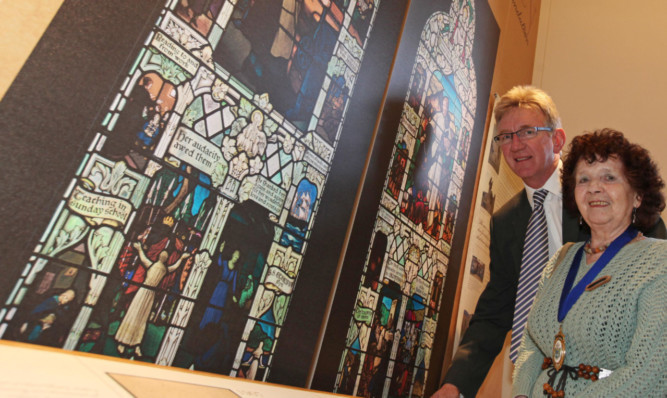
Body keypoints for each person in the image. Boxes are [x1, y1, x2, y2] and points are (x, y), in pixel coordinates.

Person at [433, 86, 665, 398]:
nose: (516, 144)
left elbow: (651, 359)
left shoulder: (622, 216)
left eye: (527, 131)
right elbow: (498, 314)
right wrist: (455, 385)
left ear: (557, 139)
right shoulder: (505, 222)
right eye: (505, 136)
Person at [512, 128, 666, 397]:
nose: (594, 187)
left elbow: (649, 373)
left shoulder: (660, 261)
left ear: (638, 195)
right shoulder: (559, 260)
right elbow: (532, 343)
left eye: (609, 177)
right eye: (584, 179)